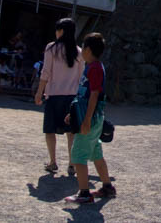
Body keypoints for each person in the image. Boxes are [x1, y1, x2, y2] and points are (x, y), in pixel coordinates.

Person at [65, 33, 116, 203]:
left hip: (90, 118)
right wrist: (73, 114)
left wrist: (86, 120)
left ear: (87, 49)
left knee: (78, 155)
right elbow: (84, 94)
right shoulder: (94, 66)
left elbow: (94, 94)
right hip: (93, 117)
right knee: (96, 153)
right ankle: (107, 187)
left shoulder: (94, 68)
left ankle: (84, 193)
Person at [34, 18, 84, 175]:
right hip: (72, 97)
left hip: (54, 96)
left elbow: (45, 72)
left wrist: (39, 92)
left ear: (61, 31)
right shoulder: (79, 52)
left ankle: (53, 162)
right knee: (71, 133)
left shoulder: (51, 48)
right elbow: (81, 77)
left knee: (50, 130)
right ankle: (72, 164)